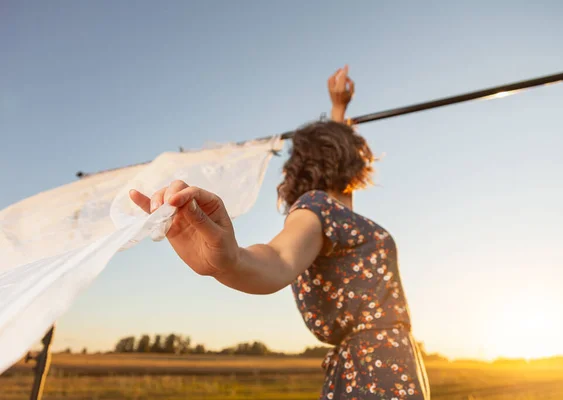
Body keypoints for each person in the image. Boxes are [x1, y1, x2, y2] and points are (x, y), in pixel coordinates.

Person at [129, 65, 430, 400]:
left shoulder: (339, 214)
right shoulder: (314, 207)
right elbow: (278, 257)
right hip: (374, 371)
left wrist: (339, 110)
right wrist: (231, 262)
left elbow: (341, 186)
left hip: (389, 364)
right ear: (342, 155)